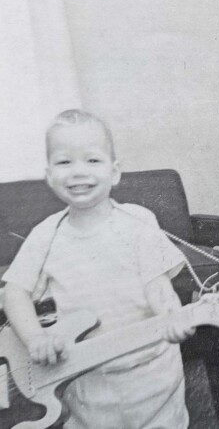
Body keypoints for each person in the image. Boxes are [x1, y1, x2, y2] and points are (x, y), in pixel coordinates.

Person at [3, 109, 195, 428]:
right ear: (49, 175)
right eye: (65, 162)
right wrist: (35, 336)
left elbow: (157, 285)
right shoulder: (45, 235)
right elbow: (15, 292)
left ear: (114, 172)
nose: (79, 172)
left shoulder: (139, 221)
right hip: (89, 380)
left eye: (92, 160)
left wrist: (171, 314)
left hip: (152, 374)